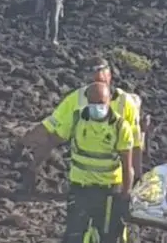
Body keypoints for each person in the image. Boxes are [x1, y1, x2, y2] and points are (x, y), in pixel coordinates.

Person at [19, 82, 134, 243]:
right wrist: (34, 166)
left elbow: (128, 165)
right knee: (74, 236)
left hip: (109, 192)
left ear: (109, 101)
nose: (97, 107)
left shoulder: (121, 127)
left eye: (101, 103)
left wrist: (125, 196)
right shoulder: (76, 119)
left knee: (109, 237)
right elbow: (53, 140)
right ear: (87, 100)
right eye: (93, 102)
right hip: (81, 189)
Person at [19, 58, 145, 189]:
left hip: (113, 179)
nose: (97, 87)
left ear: (109, 76)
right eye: (93, 83)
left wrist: (136, 180)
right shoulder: (76, 100)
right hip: (82, 179)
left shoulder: (125, 103)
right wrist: (31, 165)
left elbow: (135, 145)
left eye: (101, 81)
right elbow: (51, 132)